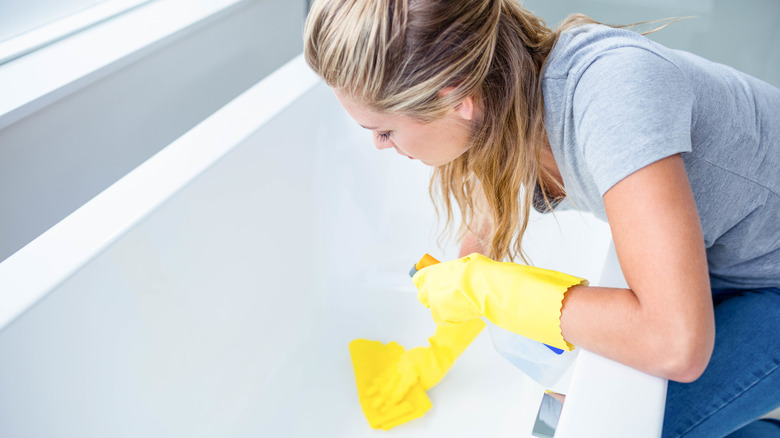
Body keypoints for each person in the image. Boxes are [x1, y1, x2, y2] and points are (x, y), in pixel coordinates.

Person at [303, 0, 780, 436]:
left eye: (385, 131)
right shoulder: (509, 101)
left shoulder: (611, 95)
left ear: (455, 100)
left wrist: (486, 289)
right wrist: (436, 346)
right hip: (731, 257)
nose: (378, 147)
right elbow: (479, 243)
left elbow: (675, 343)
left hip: (771, 279)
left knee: (621, 426)